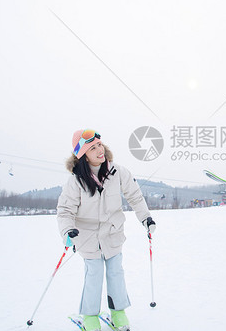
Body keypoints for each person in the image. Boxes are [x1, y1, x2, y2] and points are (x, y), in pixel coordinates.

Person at [57, 129, 156, 331]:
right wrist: (68, 231)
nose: (99, 150)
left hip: (113, 234)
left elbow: (135, 196)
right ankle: (90, 316)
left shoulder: (118, 172)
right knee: (94, 274)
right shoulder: (76, 181)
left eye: (99, 145)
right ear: (83, 155)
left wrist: (145, 217)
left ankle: (118, 313)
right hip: (87, 238)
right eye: (92, 148)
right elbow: (65, 210)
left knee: (115, 273)